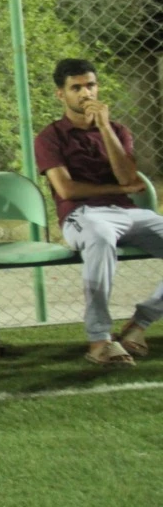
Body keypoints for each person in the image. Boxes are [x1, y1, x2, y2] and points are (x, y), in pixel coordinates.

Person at [35, 58, 163, 366]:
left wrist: (104, 127)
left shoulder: (117, 130)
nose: (86, 94)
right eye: (76, 88)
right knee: (101, 237)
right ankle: (99, 339)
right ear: (61, 94)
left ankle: (139, 323)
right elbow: (67, 190)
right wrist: (119, 189)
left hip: (128, 213)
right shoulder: (50, 137)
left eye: (90, 85)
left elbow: (128, 177)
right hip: (82, 216)